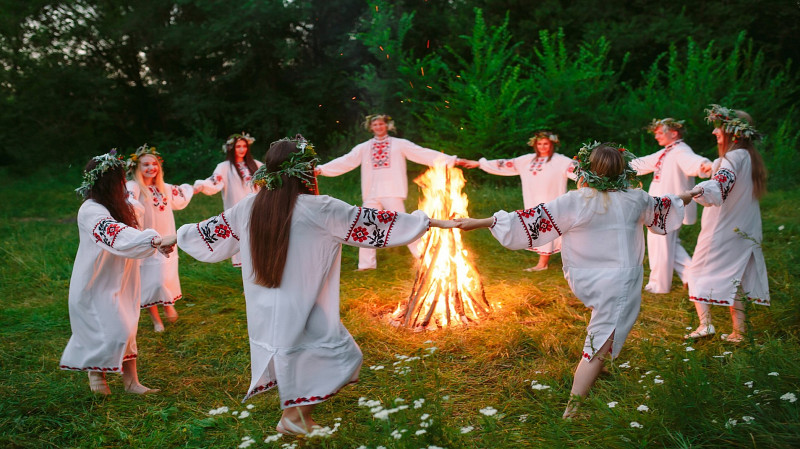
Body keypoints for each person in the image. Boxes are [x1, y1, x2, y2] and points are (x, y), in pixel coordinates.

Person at [177, 136, 455, 434]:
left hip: (267, 306)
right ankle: (295, 418)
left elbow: (205, 233)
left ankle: (294, 418)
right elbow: (377, 222)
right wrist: (426, 222)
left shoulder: (250, 206)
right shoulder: (321, 208)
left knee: (295, 355)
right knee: (344, 356)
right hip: (304, 302)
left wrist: (173, 237)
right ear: (305, 171)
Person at [455, 142, 694, 418]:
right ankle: (573, 409)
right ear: (622, 169)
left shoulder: (575, 200)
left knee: (608, 328)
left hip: (585, 278)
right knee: (600, 338)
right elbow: (666, 205)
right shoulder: (636, 198)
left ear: (587, 168)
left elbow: (529, 220)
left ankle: (599, 367)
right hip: (620, 282)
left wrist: (483, 221)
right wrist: (689, 194)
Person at [60, 150, 176, 395]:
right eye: (118, 179)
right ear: (105, 182)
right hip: (97, 280)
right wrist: (155, 240)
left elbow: (135, 229)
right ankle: (96, 374)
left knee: (128, 327)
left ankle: (131, 382)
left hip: (123, 278)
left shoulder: (124, 205)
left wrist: (156, 243)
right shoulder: (90, 210)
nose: (124, 183)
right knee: (115, 329)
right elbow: (117, 235)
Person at [315, 114, 477, 271]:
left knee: (404, 223)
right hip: (371, 192)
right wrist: (321, 170)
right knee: (365, 226)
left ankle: (423, 256)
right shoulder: (364, 148)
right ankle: (366, 265)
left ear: (387, 125)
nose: (379, 127)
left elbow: (422, 153)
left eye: (381, 124)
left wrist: (452, 160)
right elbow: (346, 161)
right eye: (375, 124)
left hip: (393, 191)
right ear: (371, 127)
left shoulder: (399, 144)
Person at [683, 105, 770, 343]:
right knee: (736, 277)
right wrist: (712, 167)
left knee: (696, 271)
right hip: (743, 227)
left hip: (723, 228)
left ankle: (705, 325)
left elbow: (721, 184)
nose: (714, 133)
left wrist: (696, 191)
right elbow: (724, 173)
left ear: (732, 132)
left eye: (718, 128)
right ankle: (738, 332)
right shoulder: (748, 156)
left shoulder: (732, 157)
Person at [632, 118, 712, 293]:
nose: (656, 136)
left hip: (668, 206)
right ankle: (693, 277)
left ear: (674, 133)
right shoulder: (667, 152)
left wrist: (704, 165)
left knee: (659, 244)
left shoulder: (680, 151)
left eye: (660, 132)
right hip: (662, 205)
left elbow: (693, 161)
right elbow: (642, 163)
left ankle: (658, 285)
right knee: (670, 245)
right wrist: (614, 165)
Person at [477, 131, 577, 271]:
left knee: (549, 225)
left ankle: (543, 264)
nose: (542, 147)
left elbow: (579, 171)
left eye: (546, 144)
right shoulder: (527, 160)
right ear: (535, 145)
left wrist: (600, 177)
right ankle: (548, 262)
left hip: (551, 200)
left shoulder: (560, 161)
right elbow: (505, 164)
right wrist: (480, 164)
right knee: (538, 226)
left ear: (552, 144)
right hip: (533, 199)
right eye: (539, 144)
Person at [126, 144, 194, 332]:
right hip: (146, 240)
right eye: (146, 165)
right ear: (137, 168)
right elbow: (129, 201)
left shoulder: (163, 187)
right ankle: (156, 319)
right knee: (149, 281)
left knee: (165, 276)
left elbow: (183, 193)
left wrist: (196, 187)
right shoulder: (133, 186)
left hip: (166, 239)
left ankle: (167, 303)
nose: (151, 168)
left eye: (154, 164)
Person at [193, 132, 263, 267]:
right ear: (231, 148)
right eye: (238, 147)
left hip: (258, 209)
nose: (242, 149)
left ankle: (258, 283)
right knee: (243, 244)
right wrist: (202, 185)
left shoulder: (255, 164)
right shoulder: (224, 167)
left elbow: (272, 174)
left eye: (244, 146)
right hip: (238, 211)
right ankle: (247, 284)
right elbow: (215, 180)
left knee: (259, 245)